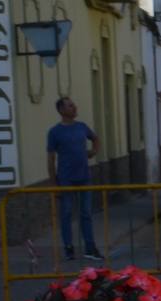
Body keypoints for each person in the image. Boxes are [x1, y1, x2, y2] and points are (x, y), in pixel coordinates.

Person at [47, 97, 103, 261]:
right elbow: (50, 159)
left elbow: (95, 138)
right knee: (66, 213)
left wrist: (94, 151)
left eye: (73, 104)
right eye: (70, 106)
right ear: (62, 110)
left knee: (86, 213)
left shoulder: (82, 127)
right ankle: (69, 247)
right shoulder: (54, 132)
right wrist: (53, 184)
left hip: (84, 177)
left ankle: (90, 247)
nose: (74, 107)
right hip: (66, 179)